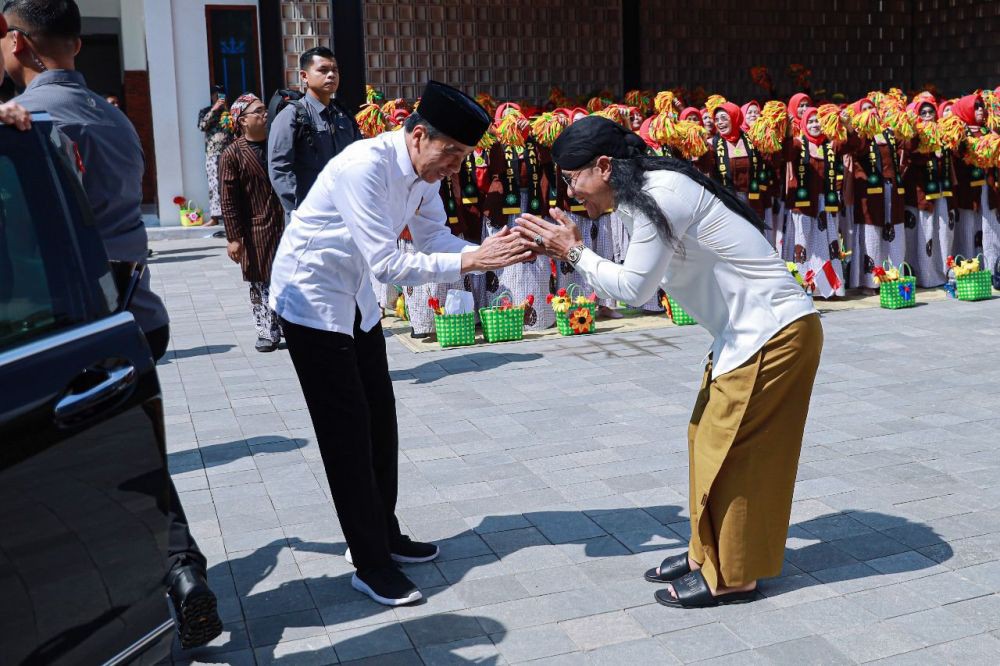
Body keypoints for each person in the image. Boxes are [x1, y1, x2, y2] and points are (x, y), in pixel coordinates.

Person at [515, 116, 822, 609]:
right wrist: (576, 250)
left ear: (603, 166)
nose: (573, 194)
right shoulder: (644, 195)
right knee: (705, 438)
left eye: (574, 180)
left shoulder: (657, 195)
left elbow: (635, 291)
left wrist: (574, 253)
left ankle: (732, 577)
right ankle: (705, 553)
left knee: (735, 457)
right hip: (745, 337)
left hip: (773, 334)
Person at [2, 0, 222, 648]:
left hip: (74, 323)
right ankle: (181, 577)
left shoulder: (33, 121)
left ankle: (162, 585)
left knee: (106, 477)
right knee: (141, 459)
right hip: (136, 316)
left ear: (17, 44)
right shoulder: (112, 114)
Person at [268, 80, 532, 606]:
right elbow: (390, 262)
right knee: (346, 432)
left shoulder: (423, 174)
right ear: (416, 135)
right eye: (450, 153)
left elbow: (433, 239)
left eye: (463, 157)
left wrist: (486, 249)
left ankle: (383, 531)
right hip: (313, 301)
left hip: (357, 301)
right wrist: (469, 261)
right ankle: (368, 562)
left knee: (379, 419)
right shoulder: (364, 166)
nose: (454, 167)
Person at [218, 94, 286, 352]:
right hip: (255, 228)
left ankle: (290, 326)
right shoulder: (232, 154)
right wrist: (234, 238)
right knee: (260, 280)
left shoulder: (277, 145)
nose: (264, 114)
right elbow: (228, 200)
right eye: (257, 111)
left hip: (284, 224)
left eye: (264, 110)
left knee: (288, 278)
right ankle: (266, 332)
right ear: (243, 120)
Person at [268, 46, 362, 221]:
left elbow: (359, 158)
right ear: (304, 76)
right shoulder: (291, 115)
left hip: (345, 212)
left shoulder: (344, 114)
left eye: (335, 70)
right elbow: (279, 168)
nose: (331, 75)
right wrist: (297, 209)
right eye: (323, 70)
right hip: (309, 215)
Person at [197, 84, 234, 227]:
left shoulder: (227, 113)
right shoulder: (205, 111)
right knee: (214, 185)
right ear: (212, 96)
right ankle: (215, 217)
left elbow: (231, 129)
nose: (219, 97)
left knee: (229, 184)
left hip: (229, 152)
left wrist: (225, 110)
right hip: (213, 153)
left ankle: (230, 216)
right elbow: (202, 126)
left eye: (222, 94)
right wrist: (214, 109)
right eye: (217, 94)